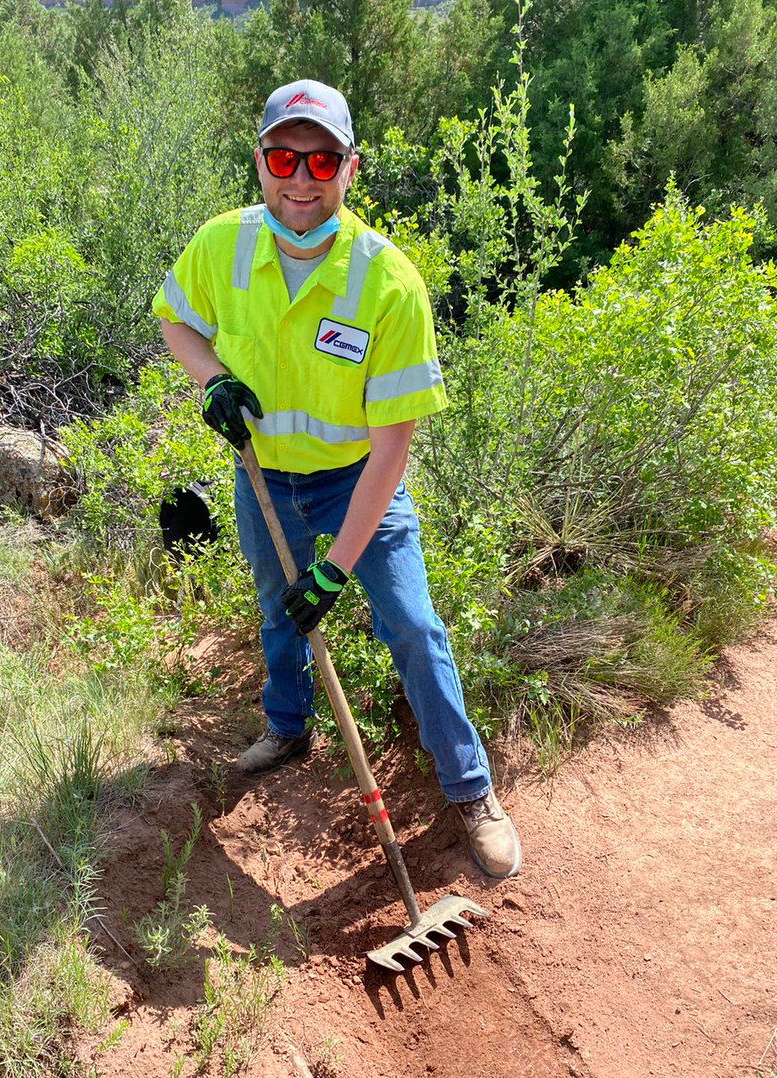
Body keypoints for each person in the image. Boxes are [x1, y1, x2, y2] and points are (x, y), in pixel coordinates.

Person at [153, 80, 521, 880]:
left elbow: (392, 451)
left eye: (322, 159)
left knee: (414, 628)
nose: (302, 176)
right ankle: (288, 727)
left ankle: (470, 791)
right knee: (278, 610)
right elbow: (174, 316)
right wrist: (211, 379)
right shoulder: (222, 245)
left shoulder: (387, 282)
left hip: (361, 484)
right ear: (260, 161)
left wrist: (337, 566)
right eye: (285, 156)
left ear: (350, 168)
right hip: (265, 480)